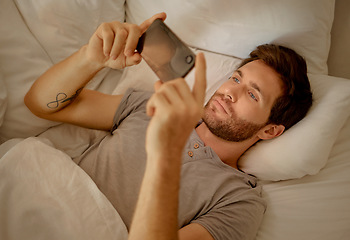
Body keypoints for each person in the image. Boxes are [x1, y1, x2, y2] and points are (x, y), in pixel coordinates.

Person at [24, 12, 312, 240]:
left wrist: (166, 154)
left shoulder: (239, 202)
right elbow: (39, 103)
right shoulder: (153, 106)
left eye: (252, 94)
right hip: (34, 196)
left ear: (270, 130)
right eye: (236, 78)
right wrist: (91, 59)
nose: (229, 92)